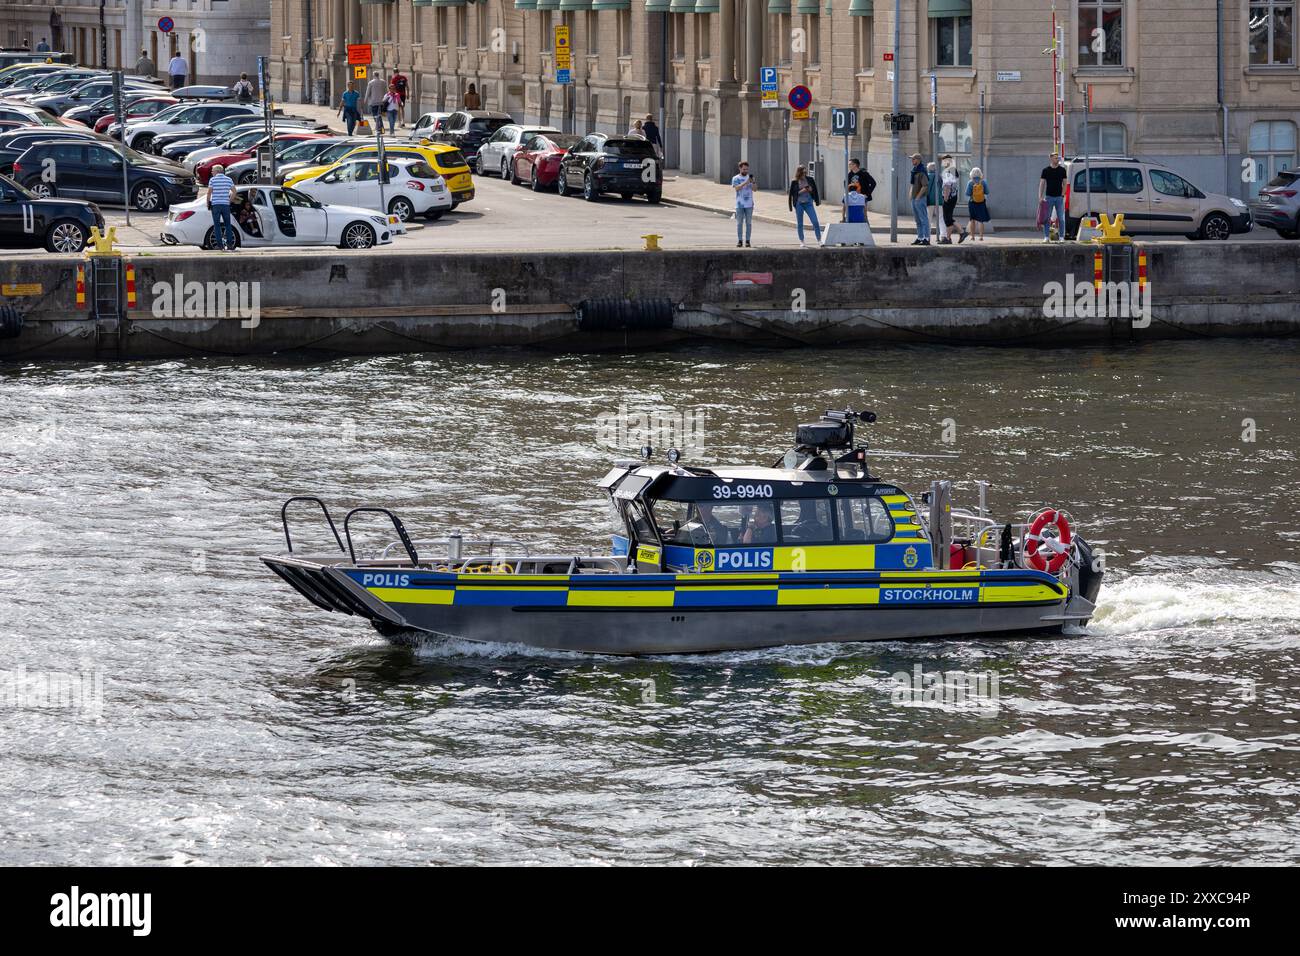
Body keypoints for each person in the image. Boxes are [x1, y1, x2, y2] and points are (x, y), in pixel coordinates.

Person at [788, 164, 822, 248]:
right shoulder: (794, 181)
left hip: (808, 203)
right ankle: (802, 241)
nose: (804, 174)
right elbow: (792, 194)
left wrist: (810, 190)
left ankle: (819, 240)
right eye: (803, 172)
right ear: (799, 173)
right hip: (799, 203)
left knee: (815, 221)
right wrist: (803, 190)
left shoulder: (810, 179)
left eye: (805, 172)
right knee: (800, 223)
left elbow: (815, 190)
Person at [1039, 152, 1068, 242]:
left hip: (1059, 197)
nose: (1057, 160)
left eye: (1058, 158)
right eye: (1055, 158)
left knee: (1061, 218)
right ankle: (1046, 237)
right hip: (1049, 197)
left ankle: (1061, 237)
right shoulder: (1046, 170)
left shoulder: (1062, 170)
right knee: (1047, 218)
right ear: (1051, 159)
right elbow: (1042, 184)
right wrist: (1040, 197)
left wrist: (1062, 195)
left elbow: (1065, 183)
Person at [206, 164, 236, 251]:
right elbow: (234, 192)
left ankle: (220, 246)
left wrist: (208, 203)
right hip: (225, 205)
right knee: (228, 225)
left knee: (217, 225)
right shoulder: (229, 179)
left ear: (217, 171)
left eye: (212, 171)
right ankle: (230, 245)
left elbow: (209, 193)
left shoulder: (212, 180)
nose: (212, 172)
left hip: (215, 205)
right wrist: (229, 201)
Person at [940, 155, 968, 244]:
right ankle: (954, 235)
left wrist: (945, 198)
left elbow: (947, 186)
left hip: (949, 197)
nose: (942, 163)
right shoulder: (953, 170)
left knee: (947, 218)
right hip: (954, 197)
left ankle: (955, 235)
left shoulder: (948, 171)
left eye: (943, 161)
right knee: (948, 217)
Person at [732, 160, 755, 247]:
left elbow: (755, 189)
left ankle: (748, 240)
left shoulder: (750, 178)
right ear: (740, 168)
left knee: (749, 223)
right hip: (739, 204)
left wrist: (753, 182)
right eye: (744, 169)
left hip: (749, 204)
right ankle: (740, 240)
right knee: (739, 223)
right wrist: (746, 182)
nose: (746, 171)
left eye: (747, 169)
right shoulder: (735, 178)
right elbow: (737, 188)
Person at [909, 153, 930, 246]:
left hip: (920, 198)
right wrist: (910, 195)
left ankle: (926, 238)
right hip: (914, 198)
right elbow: (912, 184)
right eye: (912, 159)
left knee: (923, 218)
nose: (912, 161)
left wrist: (918, 196)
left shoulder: (922, 171)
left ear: (918, 160)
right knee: (917, 219)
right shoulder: (914, 170)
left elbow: (925, 186)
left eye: (913, 159)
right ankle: (920, 237)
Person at [966, 167, 990, 241]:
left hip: (972, 202)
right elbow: (987, 192)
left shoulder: (970, 182)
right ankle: (981, 237)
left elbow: (967, 193)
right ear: (980, 174)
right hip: (981, 202)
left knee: (972, 220)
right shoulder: (983, 182)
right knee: (980, 220)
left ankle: (972, 237)